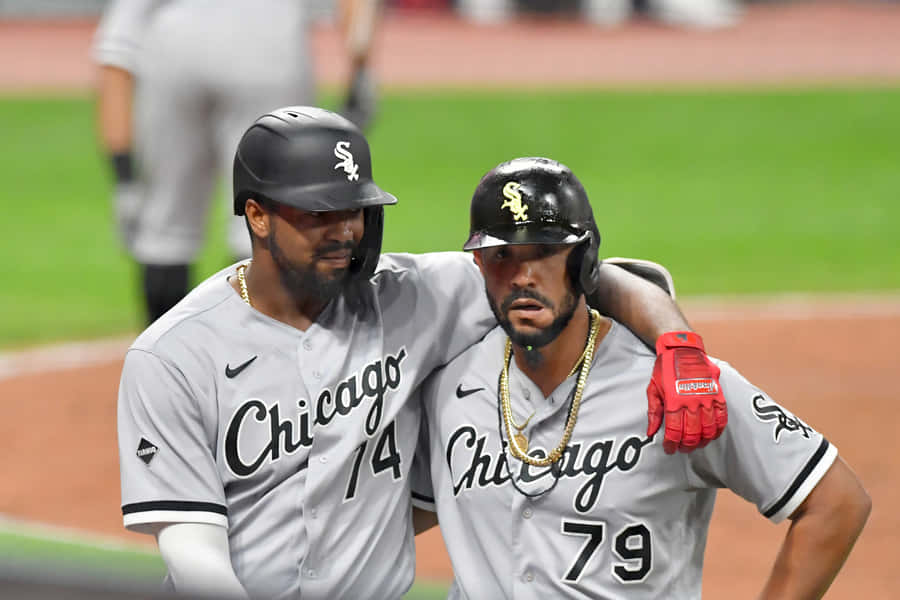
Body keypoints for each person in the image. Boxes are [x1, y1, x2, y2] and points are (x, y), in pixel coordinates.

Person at [117, 107, 726, 599]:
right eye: (319, 212)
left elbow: (589, 276)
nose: (345, 230)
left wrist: (677, 342)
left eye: (354, 209)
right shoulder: (174, 357)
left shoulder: (411, 297)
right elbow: (194, 553)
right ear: (257, 215)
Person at [411, 157, 871, 599]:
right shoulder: (451, 386)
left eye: (546, 253)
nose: (522, 275)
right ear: (478, 265)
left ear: (585, 258)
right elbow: (397, 510)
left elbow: (836, 502)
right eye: (502, 256)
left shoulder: (680, 387)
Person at [92, 0, 381, 325]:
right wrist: (360, 67)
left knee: (165, 235)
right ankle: (260, 358)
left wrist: (125, 178)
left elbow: (115, 50)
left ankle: (164, 366)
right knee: (270, 218)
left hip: (171, 45)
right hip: (271, 42)